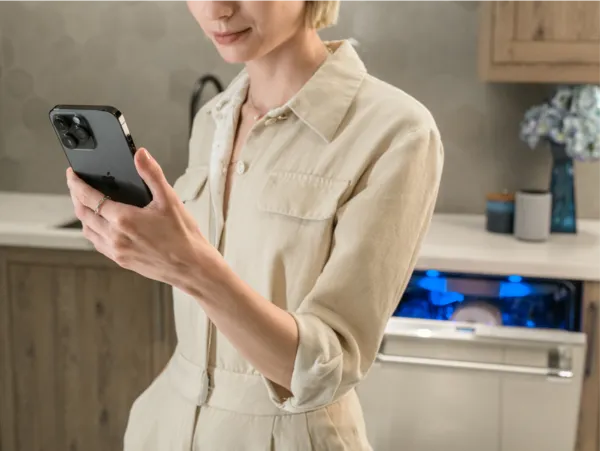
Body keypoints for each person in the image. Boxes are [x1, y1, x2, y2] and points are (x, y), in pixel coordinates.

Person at [65, 0, 444, 449]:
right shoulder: (213, 119)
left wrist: (189, 266)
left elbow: (327, 368)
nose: (216, 9)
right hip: (165, 429)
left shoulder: (397, 132)